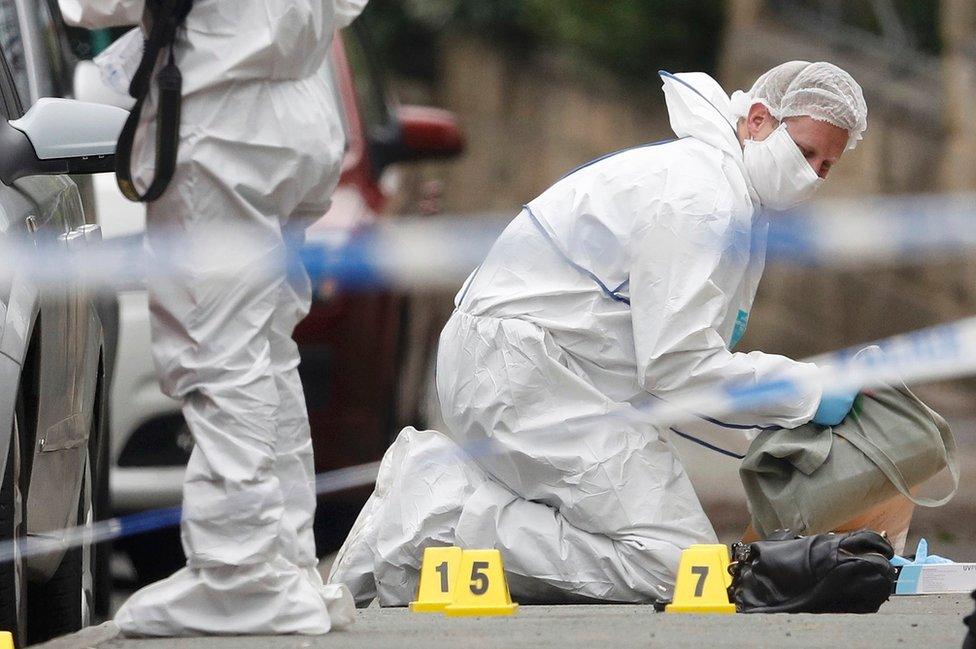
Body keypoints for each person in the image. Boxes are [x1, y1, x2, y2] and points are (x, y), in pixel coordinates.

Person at [328, 61, 868, 605]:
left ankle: (448, 516)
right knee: (674, 567)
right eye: (804, 153)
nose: (811, 175)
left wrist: (782, 413)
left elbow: (675, 364)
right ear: (757, 120)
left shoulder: (720, 186)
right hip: (523, 372)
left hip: (539, 372)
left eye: (826, 166)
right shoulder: (700, 197)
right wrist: (807, 391)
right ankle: (430, 518)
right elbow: (677, 366)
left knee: (670, 556)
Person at [59, 0, 367, 635]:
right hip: (295, 106)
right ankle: (283, 565)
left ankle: (241, 574)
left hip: (226, 117)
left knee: (217, 352)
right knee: (263, 350)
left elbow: (92, 6)